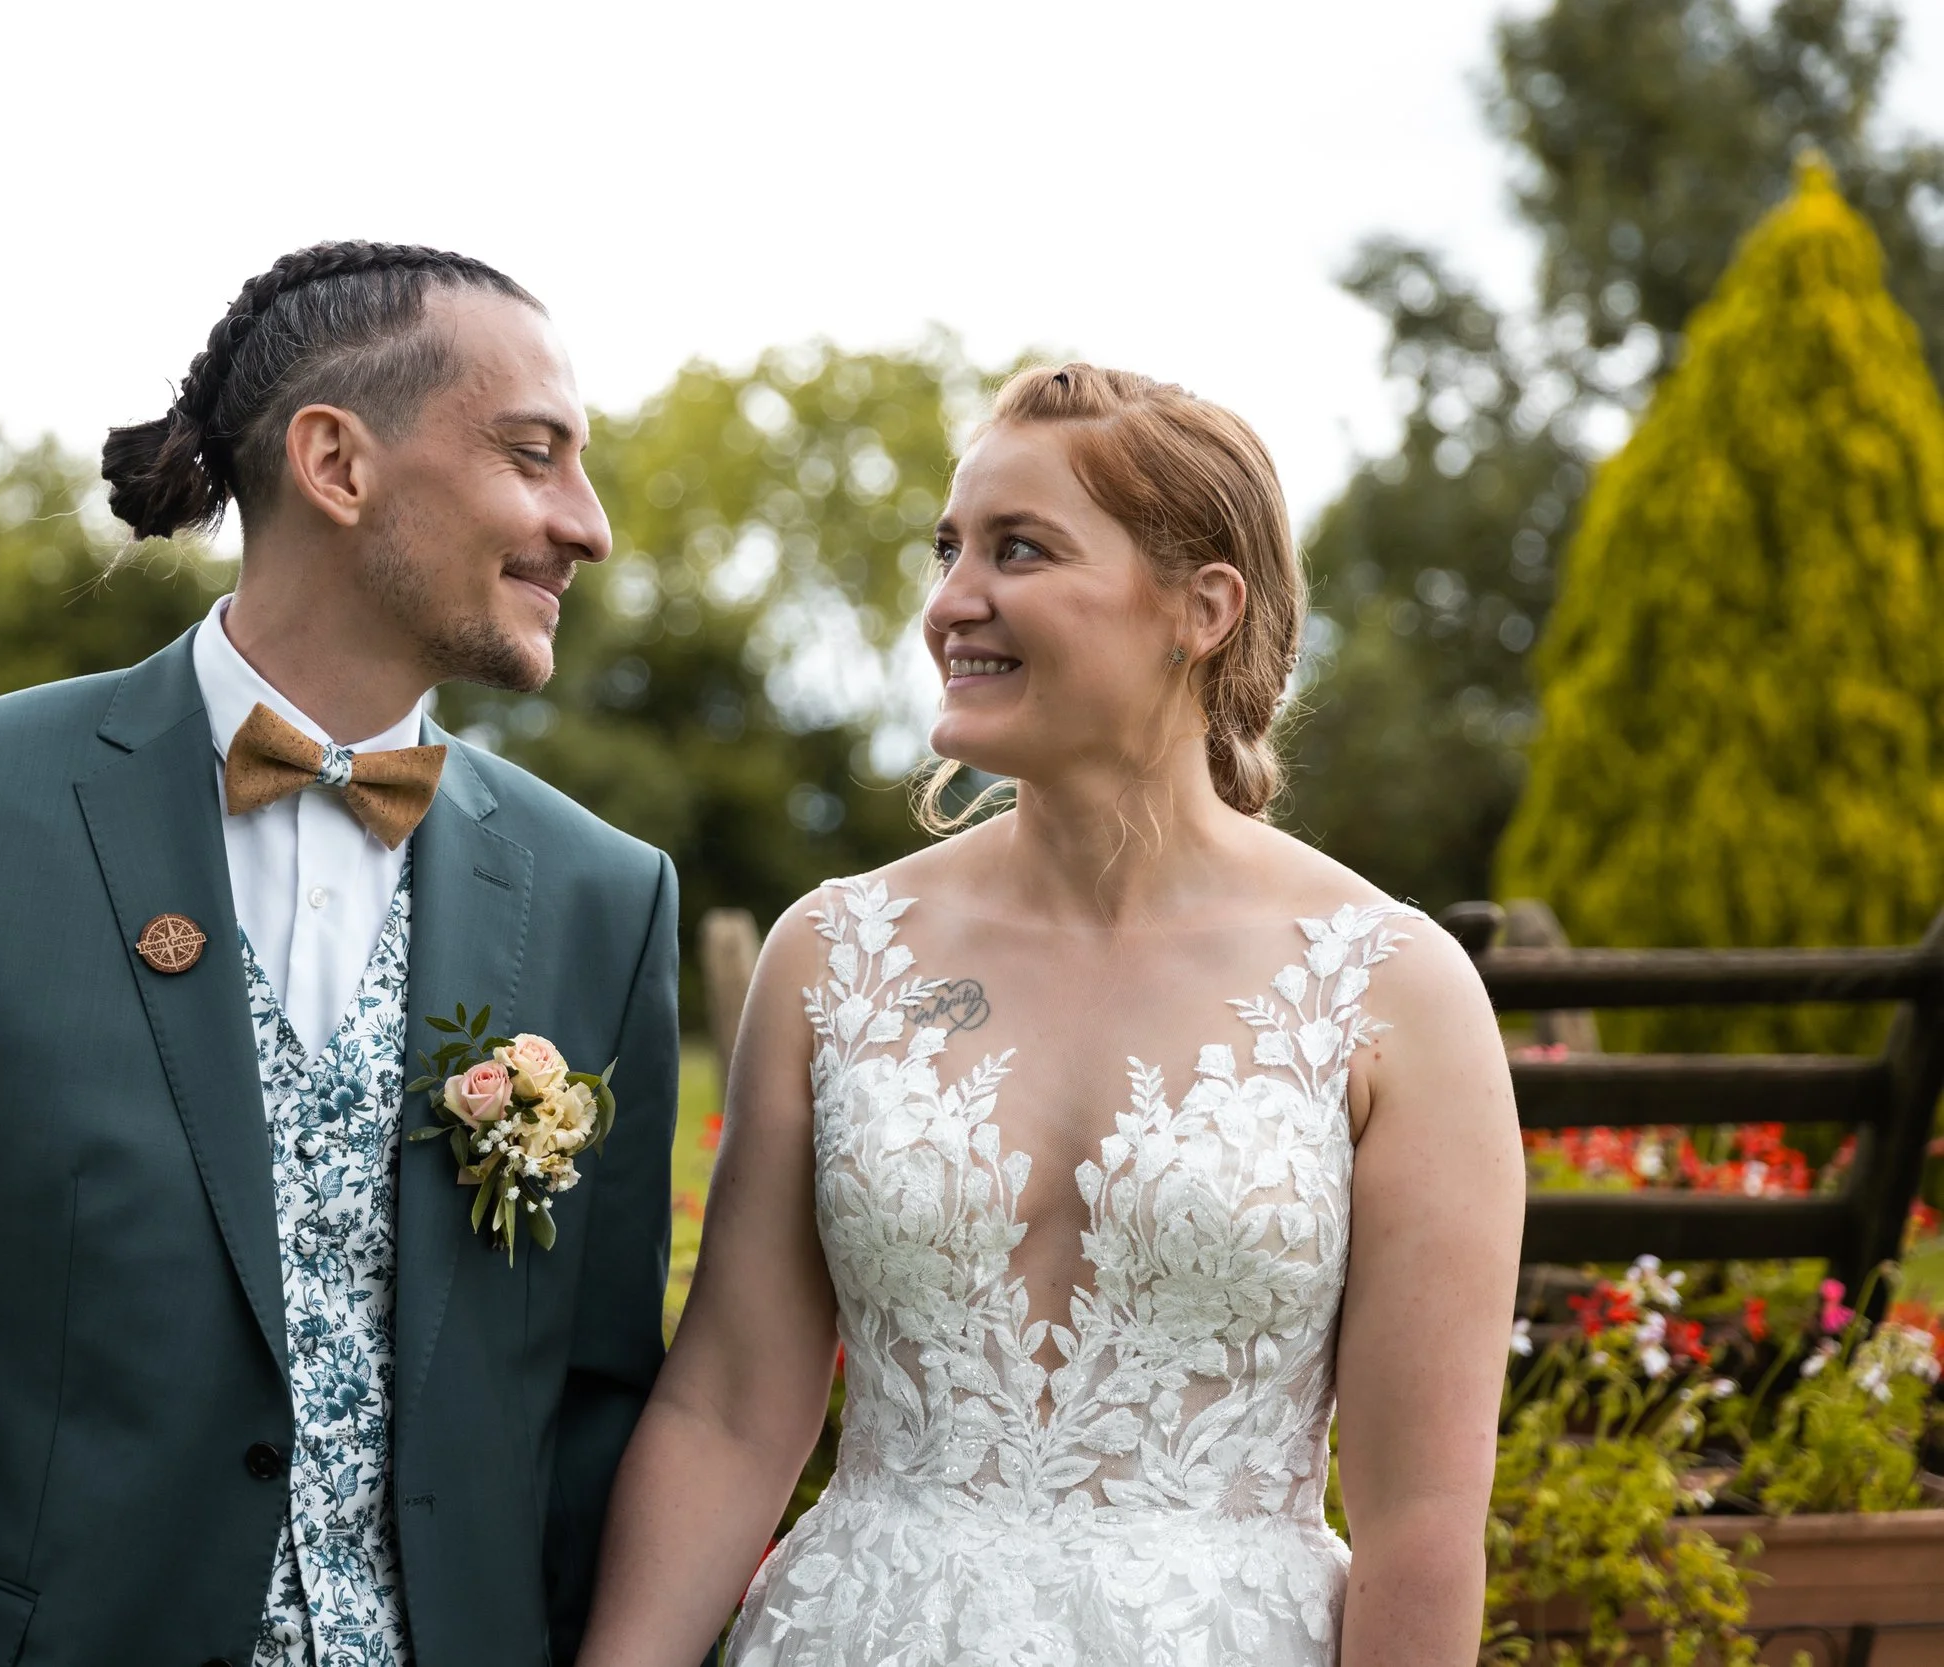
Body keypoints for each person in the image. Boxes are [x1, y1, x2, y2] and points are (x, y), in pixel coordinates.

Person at [0, 242, 683, 1667]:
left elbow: (597, 1411)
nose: (585, 523)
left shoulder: (605, 894)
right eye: (534, 456)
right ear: (336, 463)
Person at [577, 365, 1523, 1667]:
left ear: (1201, 607)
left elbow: (1422, 1521)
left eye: (1018, 549)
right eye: (949, 548)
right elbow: (730, 1413)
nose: (950, 601)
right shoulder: (834, 956)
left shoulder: (1393, 991)